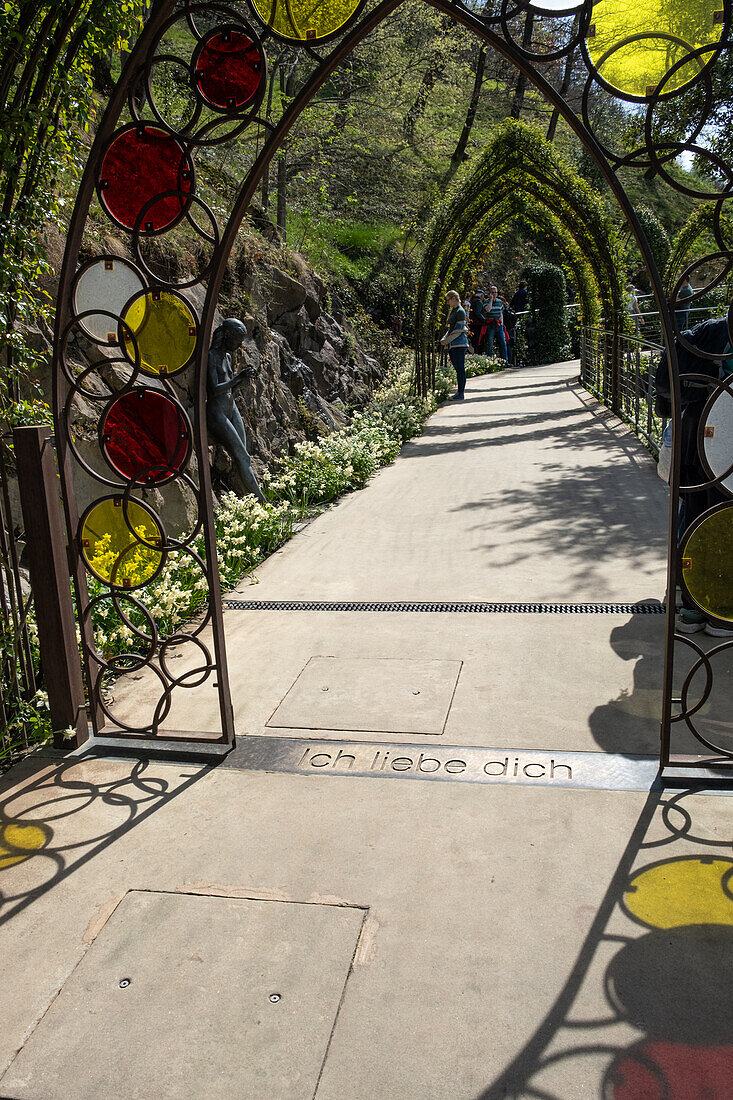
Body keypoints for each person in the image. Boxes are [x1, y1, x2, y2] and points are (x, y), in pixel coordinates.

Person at [655, 316, 733, 637]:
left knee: (695, 516)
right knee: (721, 522)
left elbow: (666, 381)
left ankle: (689, 603)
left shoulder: (703, 333)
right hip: (723, 445)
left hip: (693, 436)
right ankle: (717, 610)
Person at [207, 318, 264, 501]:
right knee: (240, 454)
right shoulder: (212, 356)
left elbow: (230, 388)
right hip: (217, 411)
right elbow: (214, 389)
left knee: (244, 456)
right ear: (227, 336)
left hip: (231, 408)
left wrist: (242, 379)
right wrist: (238, 377)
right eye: (238, 339)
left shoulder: (228, 357)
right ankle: (263, 503)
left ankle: (252, 499)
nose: (240, 344)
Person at [440, 289, 469, 400]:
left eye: (448, 300)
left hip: (459, 344)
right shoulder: (454, 310)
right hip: (453, 344)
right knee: (457, 368)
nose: (448, 303)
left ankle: (461, 393)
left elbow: (459, 330)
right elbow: (450, 328)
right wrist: (445, 338)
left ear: (453, 298)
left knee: (460, 368)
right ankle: (458, 392)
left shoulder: (460, 311)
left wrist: (446, 340)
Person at [484, 285, 508, 361]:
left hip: (498, 324)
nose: (494, 294)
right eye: (492, 292)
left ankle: (505, 360)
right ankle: (489, 361)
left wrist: (502, 323)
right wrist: (491, 300)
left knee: (503, 343)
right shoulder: (486, 301)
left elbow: (501, 313)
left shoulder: (500, 302)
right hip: (490, 325)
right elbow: (488, 310)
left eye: (495, 292)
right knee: (490, 344)